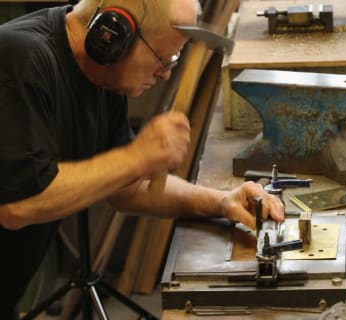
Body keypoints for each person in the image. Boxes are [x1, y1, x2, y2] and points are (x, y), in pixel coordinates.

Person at [0, 0, 285, 317]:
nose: (165, 74)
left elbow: (127, 188)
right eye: (163, 58)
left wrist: (221, 203)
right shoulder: (19, 58)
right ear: (114, 32)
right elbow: (18, 205)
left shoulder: (103, 78)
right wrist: (136, 157)